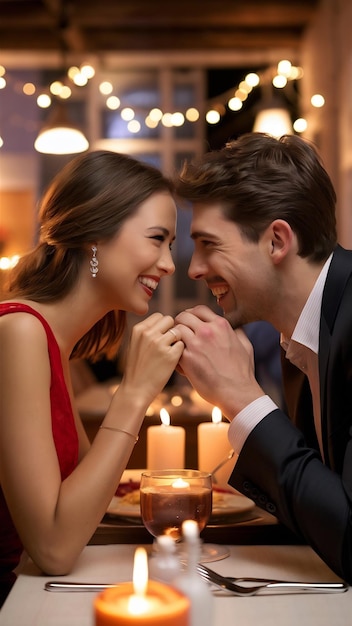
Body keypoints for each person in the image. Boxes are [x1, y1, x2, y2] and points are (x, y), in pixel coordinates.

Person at [0, 150, 184, 604]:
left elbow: (86, 496)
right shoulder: (19, 332)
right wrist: (135, 392)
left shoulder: (53, 341)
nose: (169, 264)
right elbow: (54, 548)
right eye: (157, 239)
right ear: (94, 238)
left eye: (171, 245)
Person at [173, 132, 352, 584]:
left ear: (276, 241)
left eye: (209, 243)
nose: (194, 268)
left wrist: (242, 398)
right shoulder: (300, 334)